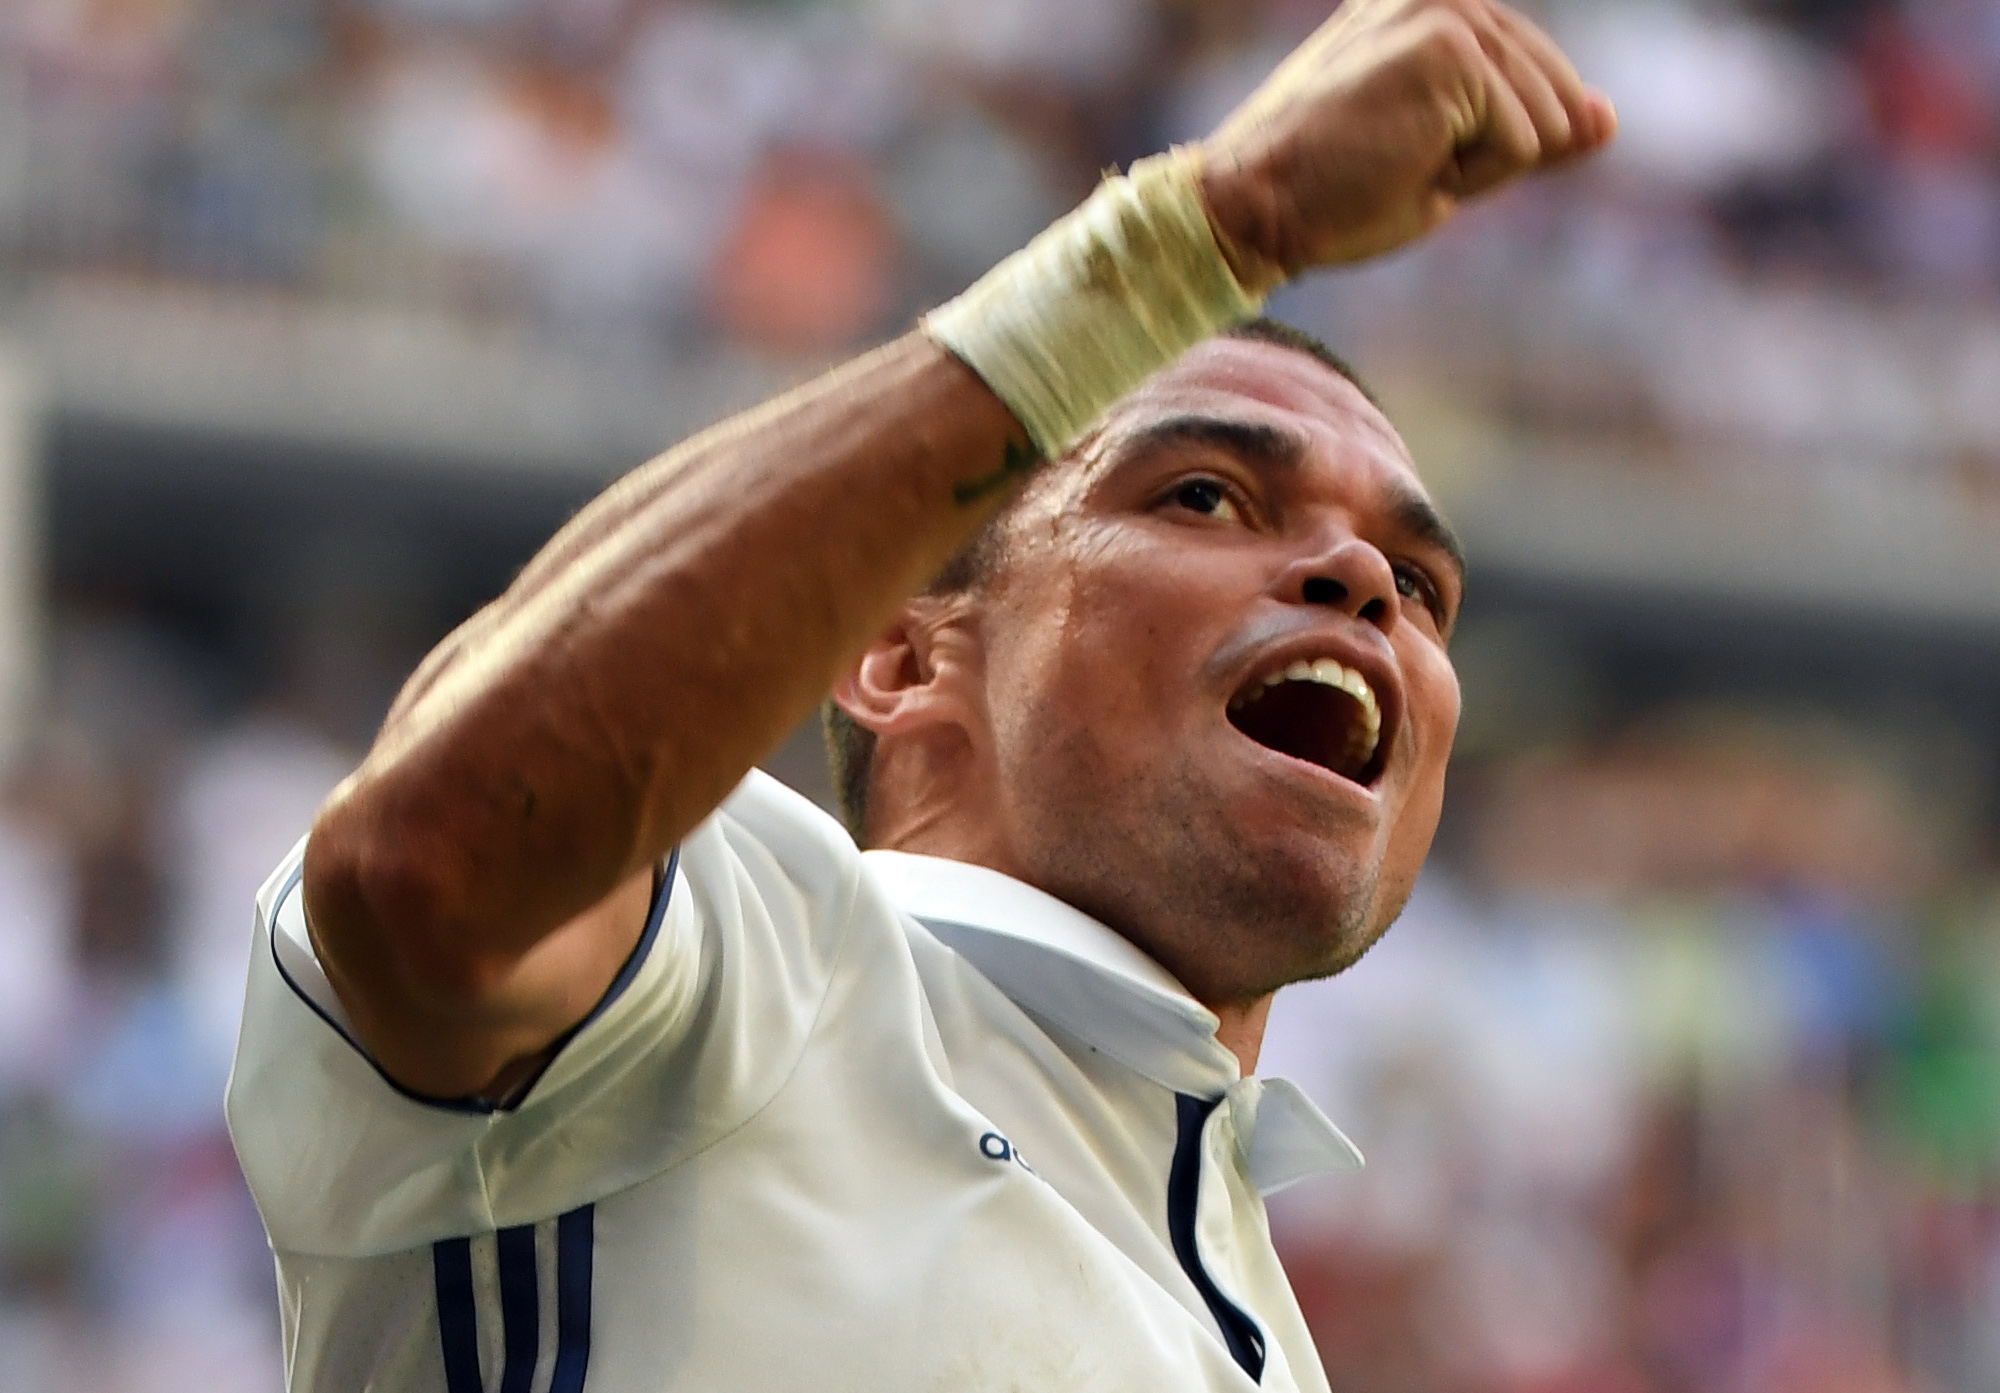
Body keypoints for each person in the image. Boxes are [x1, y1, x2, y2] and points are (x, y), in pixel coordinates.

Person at [226, 1, 1616, 1388]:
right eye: (1205, 493)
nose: (1360, 575)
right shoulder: (740, 955)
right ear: (899, 656)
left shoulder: (1254, 1301)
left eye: (1420, 585)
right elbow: (434, 858)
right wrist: (1201, 233)